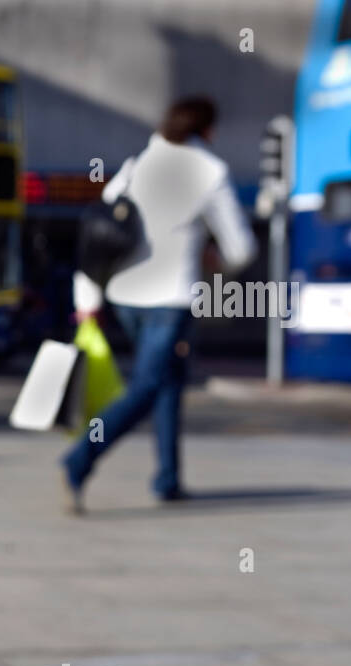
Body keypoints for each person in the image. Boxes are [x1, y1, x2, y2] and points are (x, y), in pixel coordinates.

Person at [62, 96, 257, 513]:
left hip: (124, 297)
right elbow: (241, 249)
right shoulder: (211, 171)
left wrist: (88, 298)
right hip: (171, 301)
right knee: (148, 387)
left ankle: (168, 479)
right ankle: (80, 459)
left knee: (167, 381)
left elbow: (100, 228)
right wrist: (215, 258)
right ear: (207, 131)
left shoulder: (137, 166)